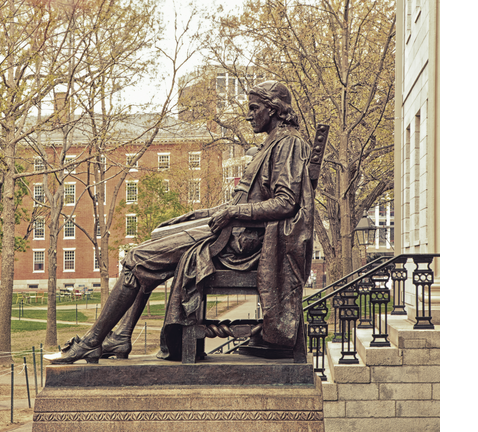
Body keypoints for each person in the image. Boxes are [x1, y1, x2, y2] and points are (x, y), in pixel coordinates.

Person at [46, 80, 314, 364]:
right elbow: (240, 202)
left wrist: (234, 214)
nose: (248, 115)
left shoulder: (289, 145)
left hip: (243, 244)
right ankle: (122, 335)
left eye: (254, 108)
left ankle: (92, 341)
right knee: (157, 237)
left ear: (272, 109)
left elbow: (286, 203)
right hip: (233, 232)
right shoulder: (272, 144)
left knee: (137, 258)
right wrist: (195, 215)